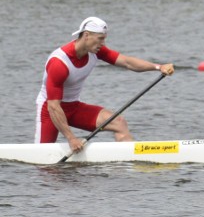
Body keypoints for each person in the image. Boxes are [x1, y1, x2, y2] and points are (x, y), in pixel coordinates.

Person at [35, 17, 175, 152]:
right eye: (100, 38)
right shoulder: (59, 63)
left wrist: (158, 67)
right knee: (43, 159)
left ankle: (131, 162)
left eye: (104, 39)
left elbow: (127, 62)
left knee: (119, 123)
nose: (103, 43)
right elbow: (53, 106)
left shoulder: (96, 51)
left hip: (73, 107)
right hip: (50, 111)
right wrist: (71, 139)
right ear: (86, 35)